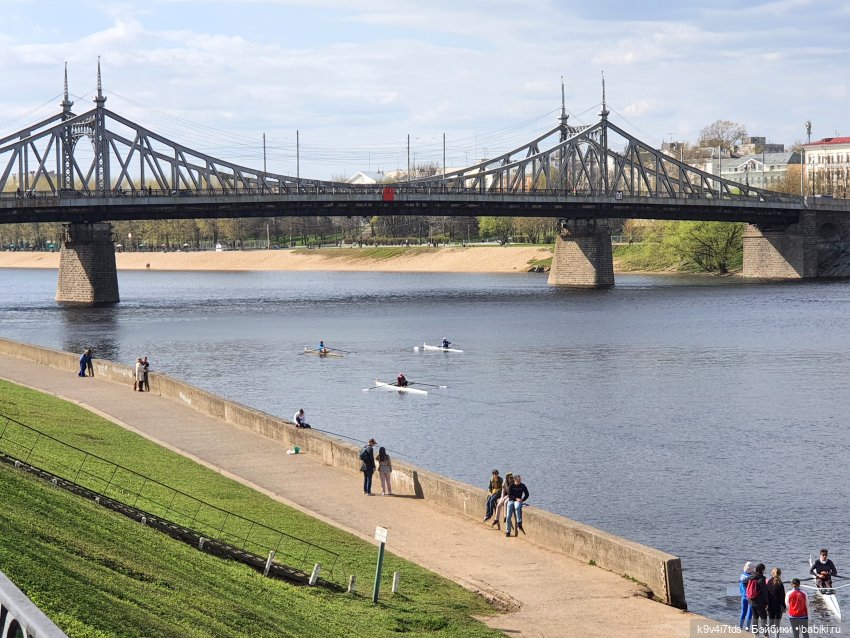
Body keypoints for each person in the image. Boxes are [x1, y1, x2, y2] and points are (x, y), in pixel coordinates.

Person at [747, 563, 769, 635]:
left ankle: (755, 634)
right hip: (760, 602)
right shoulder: (762, 579)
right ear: (762, 570)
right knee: (763, 618)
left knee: (755, 618)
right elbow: (765, 592)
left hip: (751, 600)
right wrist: (766, 603)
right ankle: (766, 635)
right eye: (764, 570)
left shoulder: (751, 576)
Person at [766, 567, 786, 637]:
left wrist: (766, 604)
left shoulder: (769, 582)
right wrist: (784, 606)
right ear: (780, 574)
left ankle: (767, 636)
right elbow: (782, 596)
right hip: (778, 606)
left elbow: (766, 594)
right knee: (777, 624)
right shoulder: (780, 583)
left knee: (771, 622)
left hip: (770, 605)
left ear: (772, 573)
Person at [739, 562, 754, 630]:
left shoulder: (742, 575)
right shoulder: (751, 577)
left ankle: (740, 627)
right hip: (749, 597)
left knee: (743, 612)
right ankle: (747, 628)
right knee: (749, 613)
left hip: (743, 596)